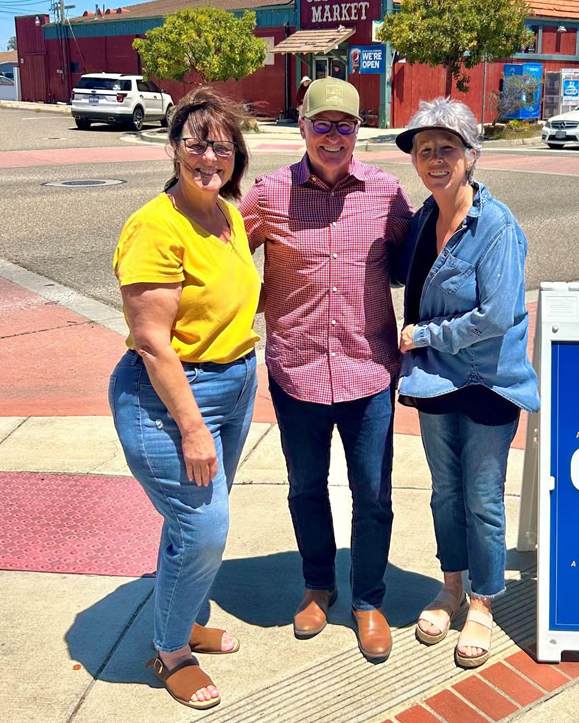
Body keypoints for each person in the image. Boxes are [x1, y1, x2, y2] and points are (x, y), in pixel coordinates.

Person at [240, 77, 413, 662]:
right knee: (307, 488)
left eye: (346, 126)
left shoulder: (387, 193)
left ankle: (368, 599)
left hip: (368, 372)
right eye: (323, 124)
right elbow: (223, 254)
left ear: (358, 131)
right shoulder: (267, 194)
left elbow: (418, 263)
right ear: (303, 127)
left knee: (373, 494)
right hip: (298, 370)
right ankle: (318, 585)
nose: (334, 137)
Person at [108, 87, 260, 710]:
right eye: (197, 143)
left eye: (223, 147)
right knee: (203, 526)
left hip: (235, 378)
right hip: (171, 395)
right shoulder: (155, 225)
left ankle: (188, 617)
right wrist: (192, 427)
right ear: (172, 148)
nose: (210, 157)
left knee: (193, 521)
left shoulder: (228, 214)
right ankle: (171, 651)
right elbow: (151, 340)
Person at [393, 98, 539, 669]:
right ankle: (450, 587)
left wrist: (425, 335)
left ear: (471, 156)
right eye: (424, 150)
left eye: (447, 148)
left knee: (481, 497)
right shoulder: (425, 217)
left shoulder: (496, 226)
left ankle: (484, 600)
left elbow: (496, 316)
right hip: (435, 381)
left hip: (486, 380)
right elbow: (393, 270)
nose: (434, 159)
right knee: (445, 491)